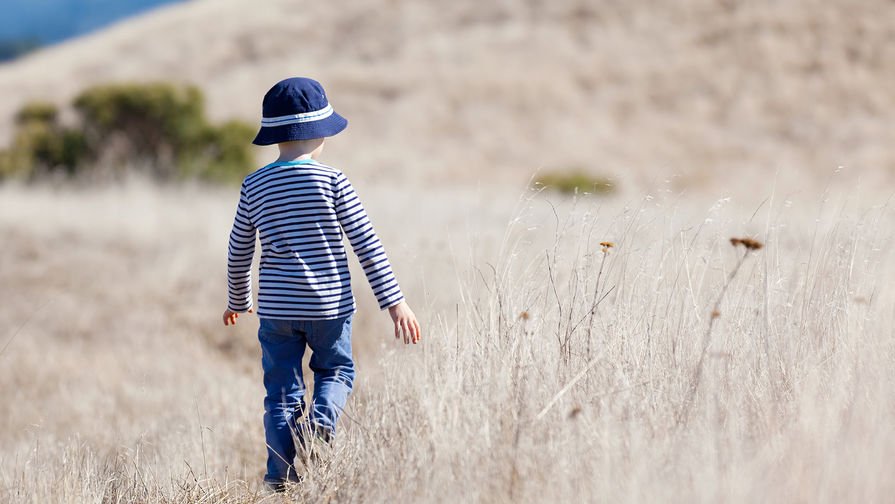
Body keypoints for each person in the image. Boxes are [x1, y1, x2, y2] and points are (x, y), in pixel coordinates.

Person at [221, 77, 421, 490]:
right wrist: (394, 302)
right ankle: (320, 423)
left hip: (277, 312)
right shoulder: (334, 181)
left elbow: (239, 249)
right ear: (321, 133)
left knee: (280, 394)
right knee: (336, 372)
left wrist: (238, 299)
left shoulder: (254, 185)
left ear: (274, 134)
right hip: (329, 307)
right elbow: (367, 244)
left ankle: (280, 479)